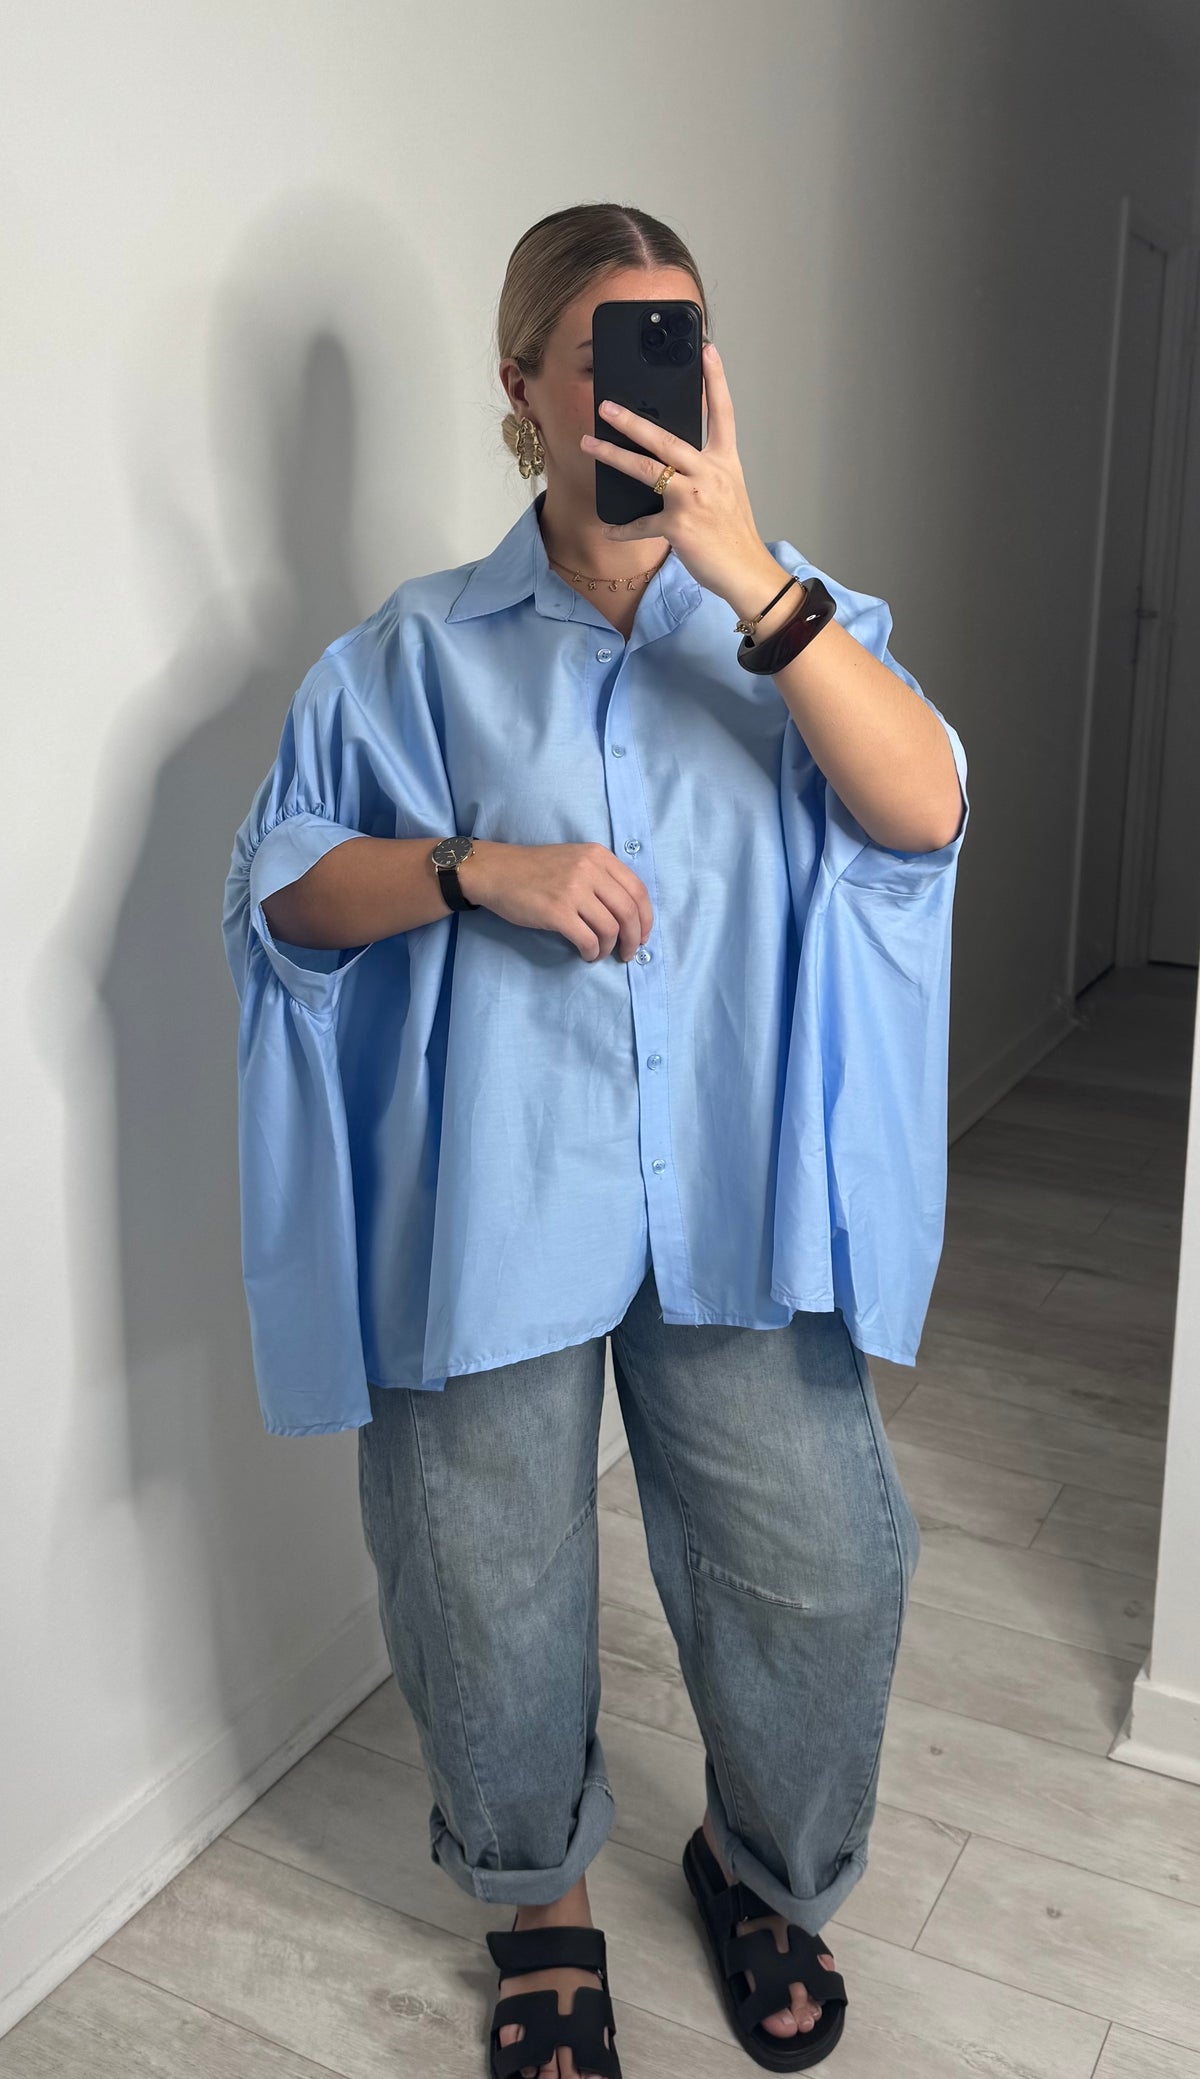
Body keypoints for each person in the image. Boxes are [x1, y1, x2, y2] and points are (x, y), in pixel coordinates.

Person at [222, 202, 969, 2078]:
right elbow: (285, 898)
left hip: (735, 1198)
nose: (663, 386)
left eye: (688, 342)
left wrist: (748, 575)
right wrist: (477, 868)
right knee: (482, 1580)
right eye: (617, 351)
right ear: (525, 389)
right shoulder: (412, 655)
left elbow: (925, 811)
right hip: (497, 1205)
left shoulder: (796, 618)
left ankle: (758, 1863)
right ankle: (538, 1902)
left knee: (825, 1570)